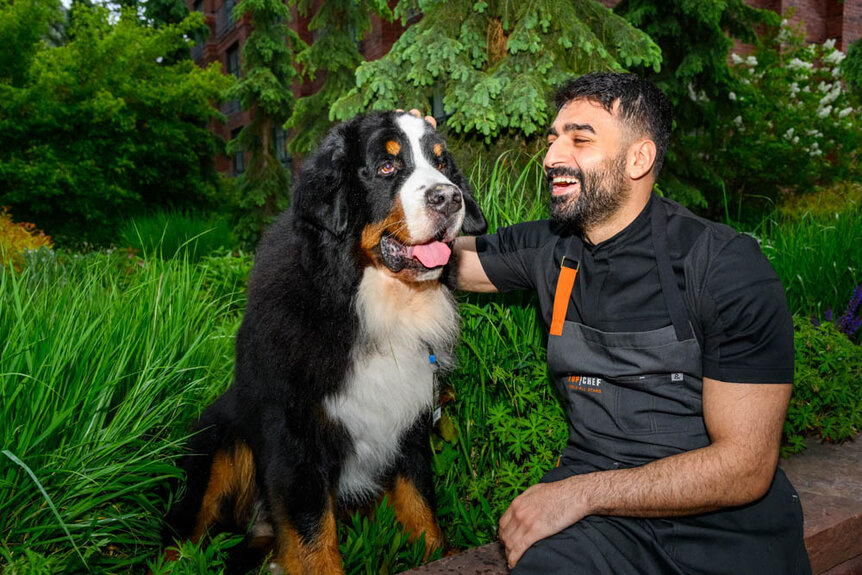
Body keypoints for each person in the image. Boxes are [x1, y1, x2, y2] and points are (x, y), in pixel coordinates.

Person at [452, 72, 812, 574]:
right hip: (601, 531)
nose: (553, 156)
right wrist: (421, 169)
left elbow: (745, 468)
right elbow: (440, 261)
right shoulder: (548, 249)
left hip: (724, 527)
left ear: (638, 159)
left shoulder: (724, 267)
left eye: (579, 138)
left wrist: (578, 493)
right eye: (554, 138)